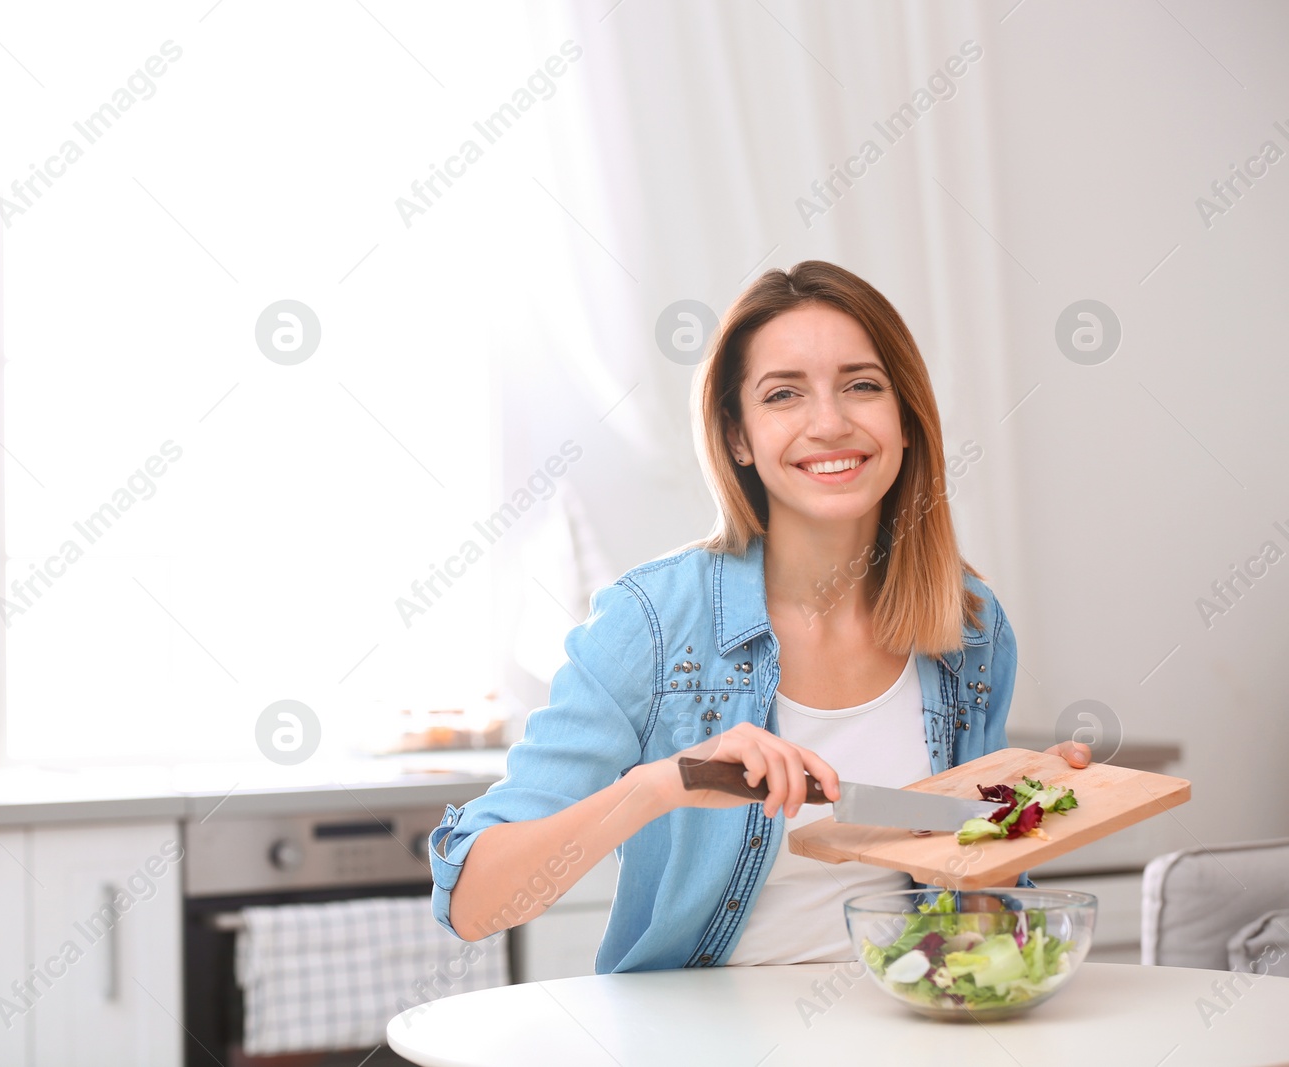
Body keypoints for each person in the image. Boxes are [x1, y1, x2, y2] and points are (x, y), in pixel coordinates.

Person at [427, 260, 1092, 974]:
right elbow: (473, 901)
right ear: (739, 437)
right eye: (783, 394)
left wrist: (1011, 820)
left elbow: (973, 932)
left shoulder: (969, 626)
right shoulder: (651, 626)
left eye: (862, 385)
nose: (830, 423)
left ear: (905, 419)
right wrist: (662, 784)